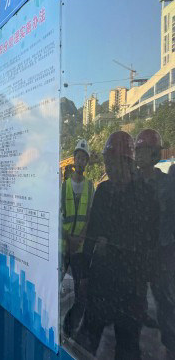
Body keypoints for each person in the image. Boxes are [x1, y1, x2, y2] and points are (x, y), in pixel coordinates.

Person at [75, 131, 159, 359]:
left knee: (128, 346)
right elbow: (92, 235)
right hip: (101, 283)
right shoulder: (103, 192)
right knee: (85, 340)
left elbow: (150, 240)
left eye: (112, 162)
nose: (108, 168)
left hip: (131, 288)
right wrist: (84, 276)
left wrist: (111, 243)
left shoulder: (146, 195)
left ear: (127, 162)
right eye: (107, 162)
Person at [134, 129, 175, 356]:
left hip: (162, 252)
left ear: (154, 154)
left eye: (143, 150)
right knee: (137, 296)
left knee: (165, 301)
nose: (138, 154)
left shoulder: (167, 184)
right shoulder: (133, 182)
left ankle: (170, 344)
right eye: (137, 150)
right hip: (139, 252)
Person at [61, 139, 95, 337]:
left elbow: (90, 215)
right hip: (65, 245)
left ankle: (70, 326)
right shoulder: (64, 186)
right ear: (74, 160)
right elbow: (59, 214)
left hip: (79, 247)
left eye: (84, 158)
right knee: (55, 284)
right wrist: (69, 238)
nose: (81, 161)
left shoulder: (90, 187)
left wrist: (80, 237)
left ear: (87, 162)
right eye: (78, 157)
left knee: (81, 290)